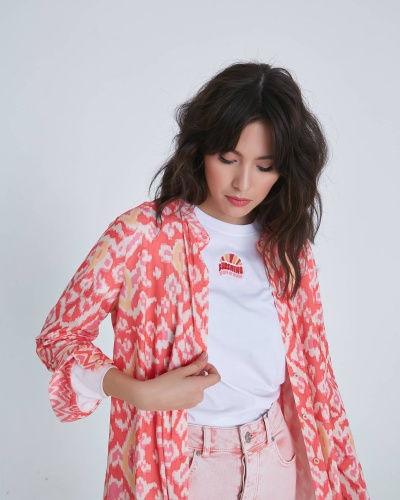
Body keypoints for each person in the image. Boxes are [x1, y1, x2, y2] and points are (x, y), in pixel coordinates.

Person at [35, 61, 369, 499]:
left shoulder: (288, 248)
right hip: (182, 462)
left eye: (265, 166)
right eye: (228, 159)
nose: (242, 183)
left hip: (275, 455)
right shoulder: (141, 235)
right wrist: (135, 392)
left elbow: (312, 372)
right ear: (200, 149)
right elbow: (59, 336)